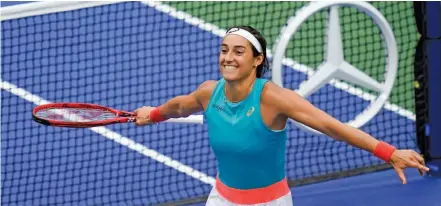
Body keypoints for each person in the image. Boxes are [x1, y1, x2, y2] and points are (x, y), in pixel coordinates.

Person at [133, 26, 429, 206]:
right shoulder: (210, 92)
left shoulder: (274, 99)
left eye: (238, 52)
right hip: (221, 199)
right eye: (224, 50)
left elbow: (330, 125)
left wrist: (388, 152)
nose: (228, 57)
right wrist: (154, 114)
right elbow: (181, 106)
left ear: (257, 59)